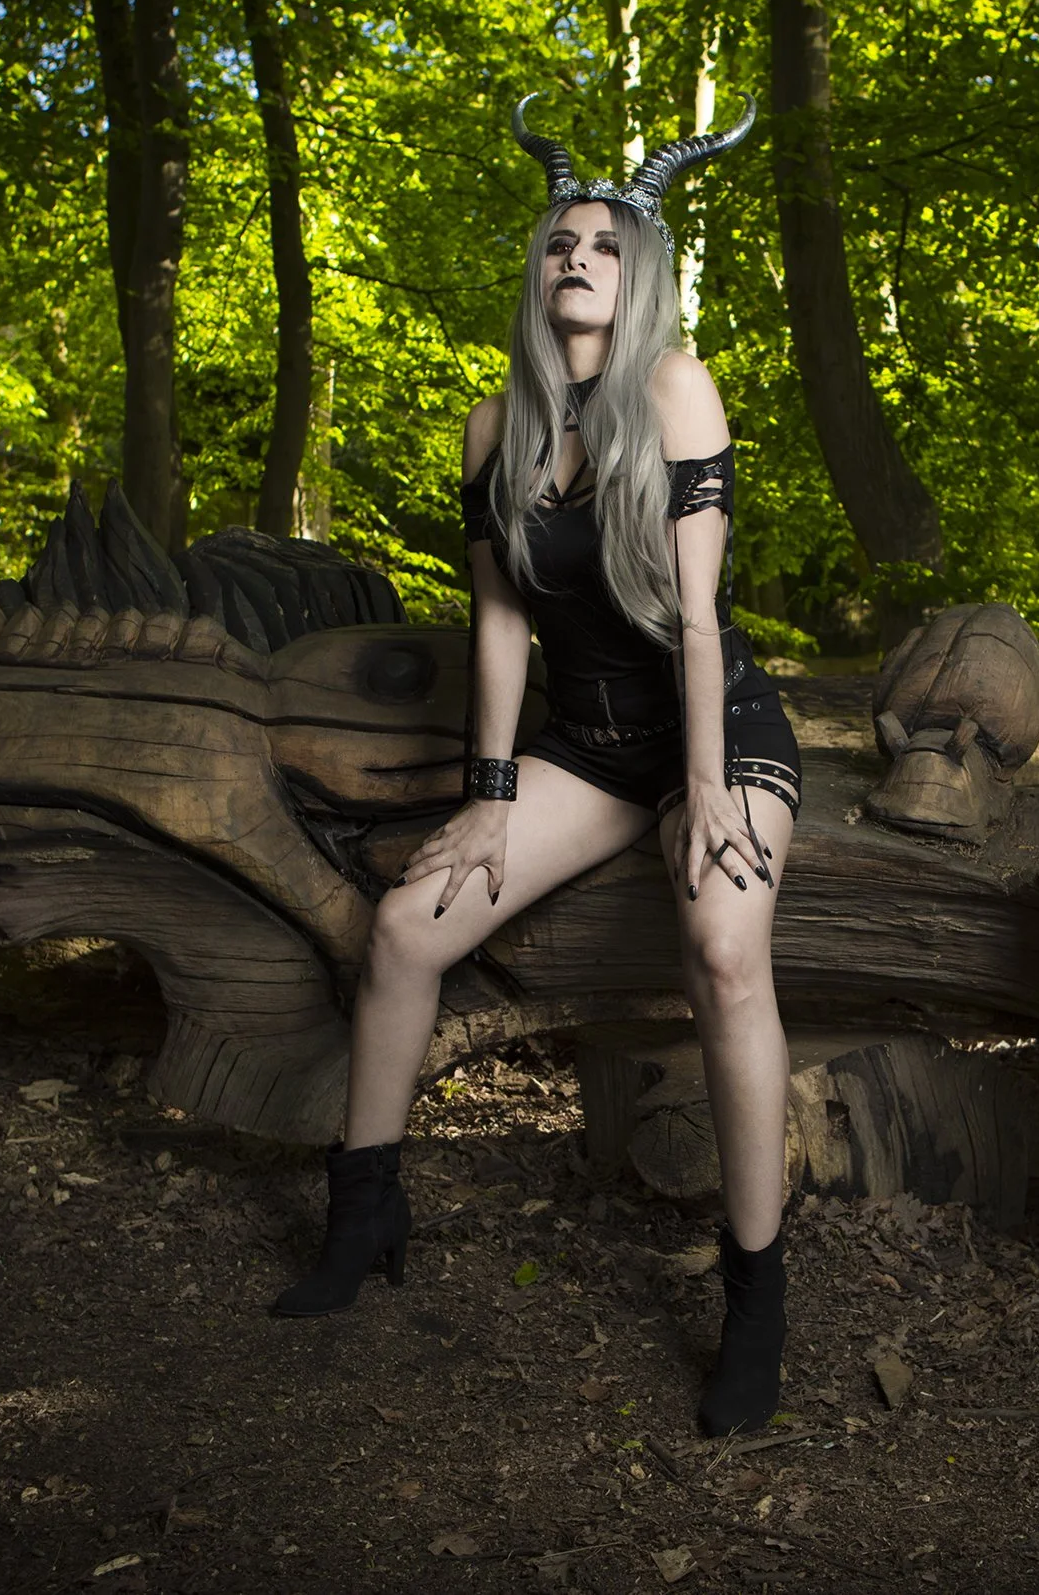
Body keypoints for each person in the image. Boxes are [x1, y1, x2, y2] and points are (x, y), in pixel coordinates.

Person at [270, 95, 801, 1438]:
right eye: (562, 240)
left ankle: (755, 1299)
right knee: (406, 926)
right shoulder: (491, 423)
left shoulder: (675, 388)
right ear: (537, 270)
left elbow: (695, 617)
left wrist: (710, 792)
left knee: (724, 947)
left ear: (640, 275)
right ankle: (363, 1214)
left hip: (714, 725)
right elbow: (500, 623)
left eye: (607, 245)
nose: (579, 256)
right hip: (591, 745)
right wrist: (491, 796)